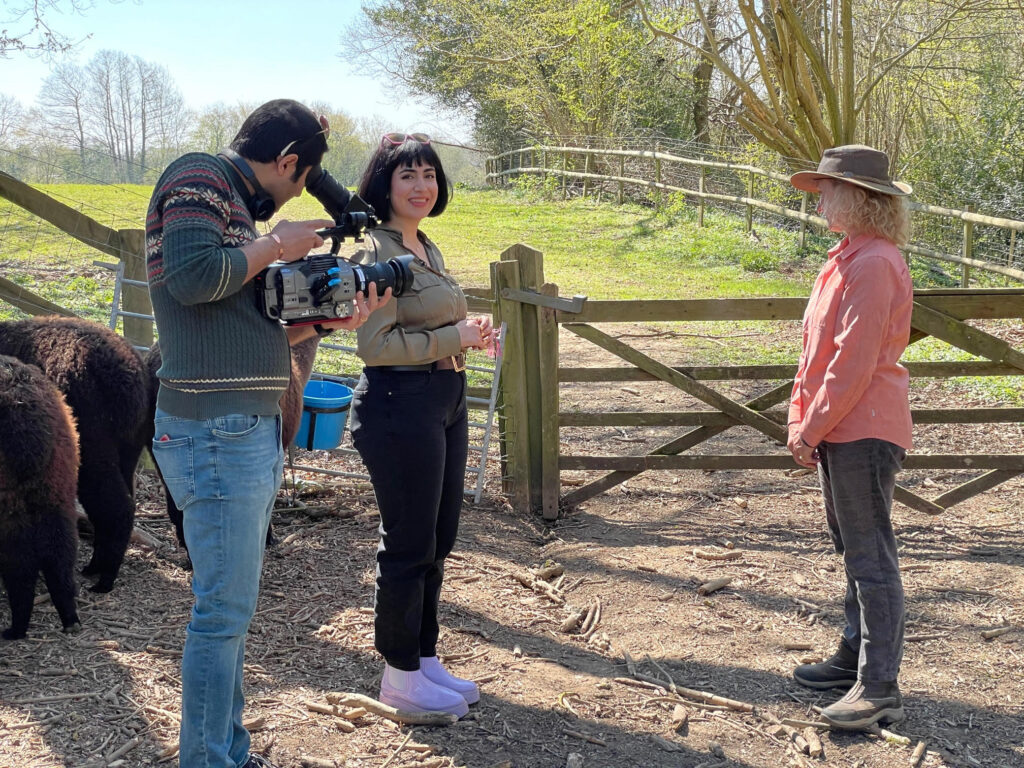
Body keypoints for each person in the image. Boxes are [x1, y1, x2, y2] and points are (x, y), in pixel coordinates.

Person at [146, 99, 385, 768]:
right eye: (302, 176)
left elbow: (249, 334)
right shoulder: (199, 177)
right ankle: (208, 760)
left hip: (237, 428)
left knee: (232, 612)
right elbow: (193, 281)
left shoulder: (237, 213)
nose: (299, 189)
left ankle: (227, 750)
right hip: (215, 433)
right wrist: (280, 243)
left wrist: (330, 324)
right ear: (286, 161)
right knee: (221, 614)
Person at [348, 132, 494, 717]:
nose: (421, 186)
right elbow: (374, 345)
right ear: (384, 184)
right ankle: (398, 676)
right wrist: (450, 337)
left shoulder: (426, 246)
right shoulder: (375, 254)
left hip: (443, 394)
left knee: (439, 537)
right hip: (397, 401)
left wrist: (471, 334)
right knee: (409, 541)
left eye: (429, 174)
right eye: (407, 175)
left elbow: (431, 324)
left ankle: (423, 656)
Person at [786, 145, 914, 730]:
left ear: (860, 198)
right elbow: (815, 353)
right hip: (841, 425)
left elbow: (853, 363)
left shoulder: (874, 263)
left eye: (828, 188)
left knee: (870, 555)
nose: (820, 197)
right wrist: (802, 421)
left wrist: (810, 427)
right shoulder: (845, 258)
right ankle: (851, 658)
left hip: (860, 427)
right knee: (853, 550)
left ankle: (879, 685)